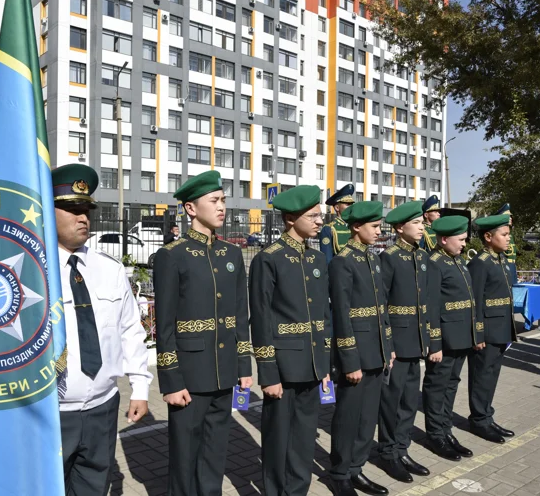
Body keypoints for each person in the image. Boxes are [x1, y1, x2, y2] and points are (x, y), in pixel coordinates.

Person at [52, 164, 153, 496]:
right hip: (52, 413)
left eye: (86, 210)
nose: (83, 218)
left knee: (93, 487)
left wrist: (139, 387)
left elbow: (130, 331)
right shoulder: (31, 271)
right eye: (72, 209)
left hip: (102, 408)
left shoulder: (109, 269)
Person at [153, 170, 252, 495]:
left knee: (214, 455)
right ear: (191, 209)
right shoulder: (172, 255)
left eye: (223, 200)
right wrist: (171, 381)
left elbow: (240, 315)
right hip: (189, 376)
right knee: (184, 458)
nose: (222, 206)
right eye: (214, 201)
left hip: (224, 373)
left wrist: (243, 368)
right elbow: (164, 325)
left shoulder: (232, 254)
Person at [249, 185, 331, 496]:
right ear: (290, 218)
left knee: (304, 439)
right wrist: (268, 373)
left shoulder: (316, 259)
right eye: (313, 216)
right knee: (278, 440)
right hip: (282, 367)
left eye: (320, 215)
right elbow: (261, 318)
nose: (319, 221)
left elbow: (323, 316)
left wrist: (323, 364)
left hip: (310, 365)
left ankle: (298, 490)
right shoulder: (268, 259)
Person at [328, 201, 392, 496]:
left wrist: (387, 346)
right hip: (356, 354)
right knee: (348, 416)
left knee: (368, 417)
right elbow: (341, 314)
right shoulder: (343, 262)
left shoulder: (373, 258)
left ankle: (357, 468)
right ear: (356, 227)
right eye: (375, 227)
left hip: (376, 351)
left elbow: (382, 309)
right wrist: (349, 359)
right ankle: (340, 473)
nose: (380, 232)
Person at [377, 200, 430, 484]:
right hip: (397, 341)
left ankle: (402, 448)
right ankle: (387, 453)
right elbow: (382, 304)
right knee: (391, 401)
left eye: (422, 223)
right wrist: (388, 344)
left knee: (409, 400)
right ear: (400, 228)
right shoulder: (390, 257)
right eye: (417, 223)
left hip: (416, 339)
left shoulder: (420, 257)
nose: (422, 227)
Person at [422, 216, 476, 462]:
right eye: (461, 240)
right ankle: (435, 434)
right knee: (436, 387)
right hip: (443, 340)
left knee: (451, 383)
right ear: (444, 239)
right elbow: (431, 307)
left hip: (460, 337)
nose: (464, 244)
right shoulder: (434, 263)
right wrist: (434, 343)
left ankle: (446, 430)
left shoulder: (457, 261)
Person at [467, 215, 517, 444]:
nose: (508, 239)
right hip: (486, 331)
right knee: (481, 376)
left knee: (492, 375)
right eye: (504, 235)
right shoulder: (480, 263)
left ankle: (487, 415)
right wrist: (477, 333)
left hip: (500, 329)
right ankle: (479, 420)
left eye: (508, 235)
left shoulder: (500, 260)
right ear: (488, 237)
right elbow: (474, 301)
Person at [319, 184, 355, 263]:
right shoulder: (329, 229)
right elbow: (327, 260)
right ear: (337, 208)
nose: (351, 207)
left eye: (352, 204)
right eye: (347, 204)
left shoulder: (355, 226)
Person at [496, 204, 517, 287]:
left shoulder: (510, 235)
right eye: (508, 216)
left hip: (511, 266)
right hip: (504, 266)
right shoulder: (498, 234)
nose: (510, 218)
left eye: (511, 216)